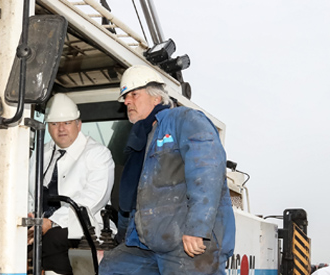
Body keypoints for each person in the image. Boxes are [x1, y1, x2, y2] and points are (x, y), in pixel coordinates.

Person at [99, 65, 236, 274]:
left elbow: (207, 171)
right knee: (112, 267)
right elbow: (135, 196)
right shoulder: (141, 138)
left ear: (156, 97)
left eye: (134, 94)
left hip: (186, 244)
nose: (127, 101)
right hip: (149, 243)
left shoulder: (184, 120)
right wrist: (125, 234)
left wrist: (197, 228)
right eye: (125, 97)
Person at [28, 93, 115, 275]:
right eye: (54, 124)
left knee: (52, 239)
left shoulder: (98, 154)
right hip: (42, 223)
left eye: (67, 123)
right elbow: (28, 190)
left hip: (83, 227)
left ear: (79, 124)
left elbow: (93, 198)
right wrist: (30, 218)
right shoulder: (40, 153)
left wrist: (51, 222)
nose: (61, 129)